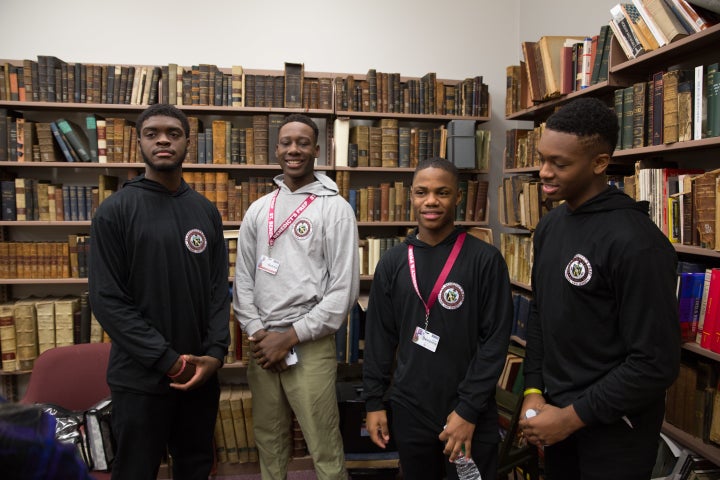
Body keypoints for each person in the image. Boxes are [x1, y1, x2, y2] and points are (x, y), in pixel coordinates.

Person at [519, 97, 680, 480]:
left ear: (599, 164)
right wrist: (533, 391)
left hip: (613, 434)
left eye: (560, 164)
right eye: (542, 158)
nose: (544, 172)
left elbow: (655, 363)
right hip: (555, 418)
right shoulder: (551, 226)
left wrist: (572, 419)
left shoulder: (636, 242)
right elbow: (542, 313)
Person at [89, 103, 230, 480]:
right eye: (152, 133)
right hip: (140, 380)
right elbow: (107, 300)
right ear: (139, 142)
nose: (163, 139)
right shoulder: (114, 211)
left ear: (188, 142)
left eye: (174, 133)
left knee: (196, 468)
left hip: (200, 376)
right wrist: (168, 360)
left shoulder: (205, 211)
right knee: (135, 470)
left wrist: (215, 354)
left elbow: (219, 290)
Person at [362, 157, 514, 480]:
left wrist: (467, 409)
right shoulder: (392, 262)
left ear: (458, 197)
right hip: (410, 407)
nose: (431, 201)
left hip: (468, 410)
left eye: (442, 192)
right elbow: (379, 338)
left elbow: (495, 340)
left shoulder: (485, 259)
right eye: (422, 192)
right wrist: (374, 402)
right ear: (411, 196)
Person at [233, 113, 359, 480]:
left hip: (308, 345)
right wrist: (259, 333)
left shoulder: (334, 209)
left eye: (303, 143)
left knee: (323, 444)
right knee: (269, 442)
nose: (294, 149)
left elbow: (343, 292)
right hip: (262, 346)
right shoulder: (259, 209)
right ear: (276, 149)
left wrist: (287, 338)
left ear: (316, 150)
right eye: (286, 142)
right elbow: (242, 280)